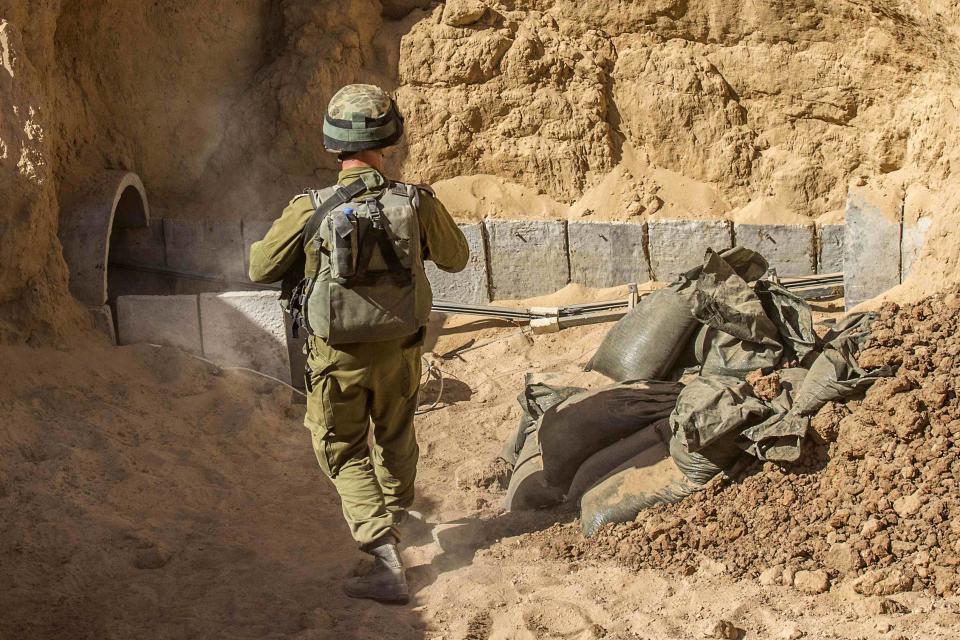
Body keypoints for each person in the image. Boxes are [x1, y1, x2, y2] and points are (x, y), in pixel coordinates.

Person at [248, 84, 469, 603]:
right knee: (396, 433)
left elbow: (259, 267)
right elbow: (456, 258)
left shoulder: (311, 207)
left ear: (333, 144)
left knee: (342, 450)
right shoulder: (415, 201)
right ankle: (398, 519)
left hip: (335, 357)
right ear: (388, 140)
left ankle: (381, 551)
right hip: (402, 350)